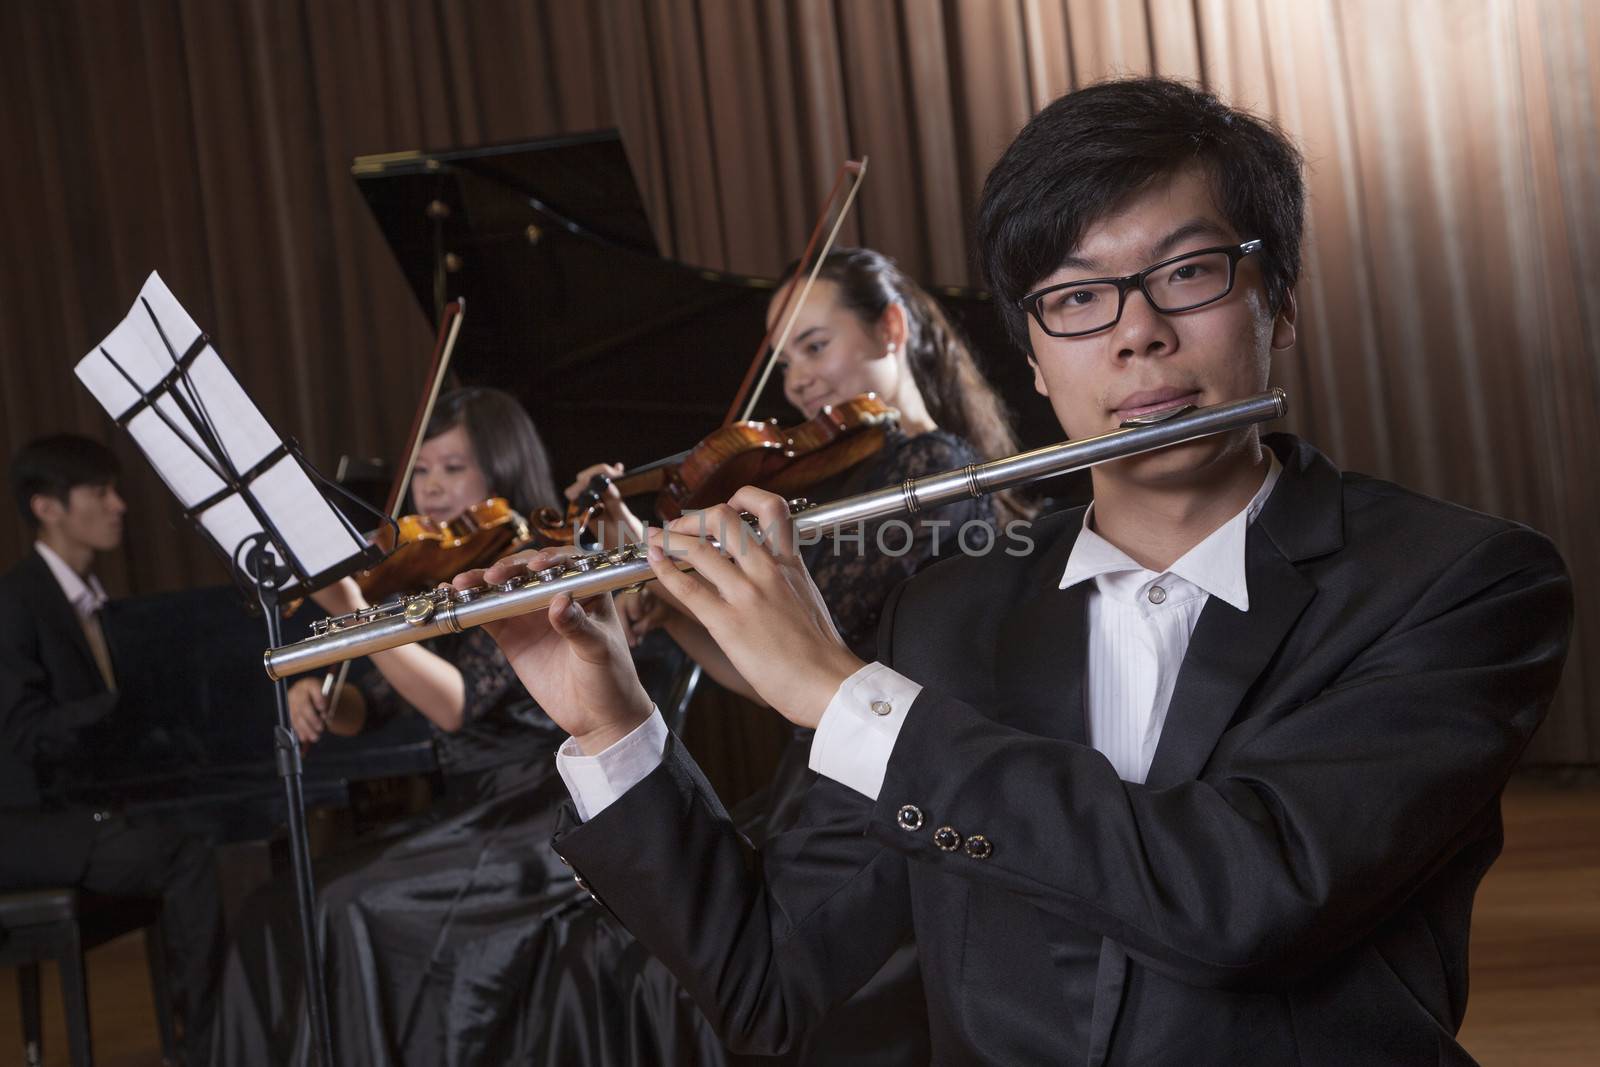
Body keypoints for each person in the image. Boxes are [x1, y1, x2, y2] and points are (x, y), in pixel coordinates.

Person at [459, 77, 1574, 1065]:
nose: (1135, 336)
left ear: (1275, 300)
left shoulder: (1462, 583)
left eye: (1185, 273)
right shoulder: (950, 613)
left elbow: (1243, 899)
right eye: (1078, 298)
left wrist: (842, 692)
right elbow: (770, 980)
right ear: (1034, 356)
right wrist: (611, 725)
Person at [446, 248, 1026, 1065]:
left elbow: (810, 656)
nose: (797, 382)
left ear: (891, 328)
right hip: (812, 793)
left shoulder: (936, 473)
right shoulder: (837, 484)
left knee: (659, 980)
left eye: (814, 345)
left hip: (887, 820)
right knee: (605, 951)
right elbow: (770, 684)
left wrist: (664, 569)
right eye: (786, 359)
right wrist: (662, 606)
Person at [211, 387, 584, 1066]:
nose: (432, 488)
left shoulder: (534, 562)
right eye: (424, 470)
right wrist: (320, 694)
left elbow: (457, 701)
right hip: (472, 810)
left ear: (501, 471)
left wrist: (355, 612)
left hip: (545, 814)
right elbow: (374, 700)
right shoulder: (431, 572)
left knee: (343, 905)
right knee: (274, 905)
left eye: (454, 468)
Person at [0, 433, 224, 1065]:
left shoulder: (91, 601)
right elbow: (25, 734)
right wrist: (127, 705)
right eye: (100, 492)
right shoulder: (15, 602)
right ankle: (205, 1049)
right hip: (30, 824)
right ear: (48, 508)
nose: (119, 505)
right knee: (186, 855)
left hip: (80, 806)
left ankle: (217, 1032)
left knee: (198, 828)